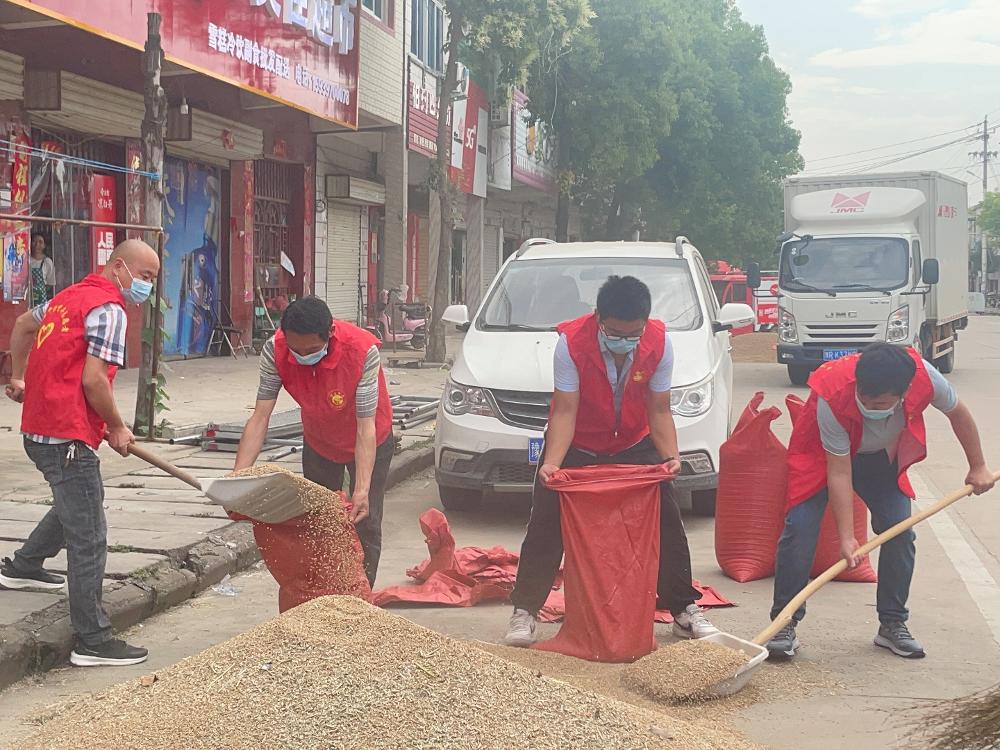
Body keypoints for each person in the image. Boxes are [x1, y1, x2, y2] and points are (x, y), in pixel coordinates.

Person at [504, 275, 719, 647]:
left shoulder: (659, 343)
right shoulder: (571, 344)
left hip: (635, 442)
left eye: (633, 334)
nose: (624, 342)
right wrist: (552, 463)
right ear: (598, 319)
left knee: (666, 519)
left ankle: (683, 610)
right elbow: (565, 411)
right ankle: (525, 610)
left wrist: (671, 457)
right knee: (546, 519)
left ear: (645, 323)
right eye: (615, 333)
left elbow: (659, 408)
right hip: (578, 441)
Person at [767, 343, 995, 660]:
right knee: (800, 528)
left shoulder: (925, 377)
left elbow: (959, 414)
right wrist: (847, 538)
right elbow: (839, 472)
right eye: (865, 399)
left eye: (882, 403)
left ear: (904, 393)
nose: (871, 406)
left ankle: (892, 623)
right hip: (822, 458)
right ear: (857, 384)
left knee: (900, 532)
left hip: (880, 460)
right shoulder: (832, 390)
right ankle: (783, 624)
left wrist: (978, 466)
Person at [1, 239, 160, 667]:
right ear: (120, 267)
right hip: (66, 435)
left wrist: (19, 377)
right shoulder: (109, 310)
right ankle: (91, 639)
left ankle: (23, 567)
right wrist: (117, 425)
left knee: (79, 503)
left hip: (40, 429)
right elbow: (94, 381)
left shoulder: (68, 297)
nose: (147, 286)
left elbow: (21, 325)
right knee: (89, 534)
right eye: (145, 277)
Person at [235, 296, 394, 586]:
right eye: (295, 350)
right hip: (320, 441)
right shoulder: (275, 350)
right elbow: (260, 416)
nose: (301, 355)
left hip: (371, 439)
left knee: (365, 521)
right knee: (318, 520)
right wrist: (238, 477)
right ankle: (325, 594)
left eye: (311, 350)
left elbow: (365, 427)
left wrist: (361, 490)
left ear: (330, 333)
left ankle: (362, 598)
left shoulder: (362, 351)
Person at [29, 233, 55, 304]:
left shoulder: (47, 262)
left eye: (40, 242)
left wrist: (40, 290)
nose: (37, 245)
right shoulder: (26, 260)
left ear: (44, 245)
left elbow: (50, 283)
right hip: (28, 297)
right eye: (34, 241)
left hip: (41, 298)